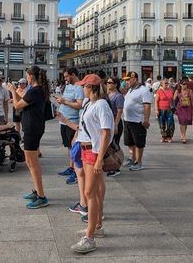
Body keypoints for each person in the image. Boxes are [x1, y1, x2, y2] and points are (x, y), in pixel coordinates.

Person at [68, 74, 114, 254]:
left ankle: (90, 237)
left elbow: (105, 132)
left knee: (90, 192)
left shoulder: (101, 105)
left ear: (91, 88)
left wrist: (100, 157)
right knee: (95, 191)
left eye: (84, 86)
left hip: (94, 152)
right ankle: (96, 226)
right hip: (87, 149)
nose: (82, 89)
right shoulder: (90, 103)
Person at [7, 65, 49, 209]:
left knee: (33, 163)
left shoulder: (35, 91)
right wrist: (16, 94)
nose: (26, 78)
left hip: (32, 129)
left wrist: (12, 90)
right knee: (30, 162)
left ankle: (42, 197)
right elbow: (23, 100)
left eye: (27, 75)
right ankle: (37, 191)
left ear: (31, 76)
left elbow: (18, 106)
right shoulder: (36, 91)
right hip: (33, 128)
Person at [54, 68, 84, 185]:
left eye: (67, 76)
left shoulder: (79, 87)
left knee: (74, 147)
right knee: (69, 146)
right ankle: (71, 167)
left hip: (72, 121)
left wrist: (65, 102)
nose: (65, 79)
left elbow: (79, 104)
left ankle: (76, 171)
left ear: (73, 74)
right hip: (64, 120)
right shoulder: (68, 86)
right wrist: (61, 101)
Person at [122, 71, 152, 171]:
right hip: (127, 120)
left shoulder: (144, 90)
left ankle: (139, 162)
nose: (126, 82)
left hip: (137, 121)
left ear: (134, 79)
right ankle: (132, 158)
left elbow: (147, 106)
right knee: (130, 142)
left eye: (128, 80)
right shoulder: (130, 90)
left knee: (139, 143)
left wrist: (146, 120)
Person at [106, 76, 124, 177]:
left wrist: (116, 125)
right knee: (109, 145)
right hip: (109, 123)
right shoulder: (108, 94)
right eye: (107, 83)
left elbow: (119, 111)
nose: (108, 84)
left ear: (115, 84)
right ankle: (111, 164)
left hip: (115, 123)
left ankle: (116, 167)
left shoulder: (118, 96)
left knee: (114, 145)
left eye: (110, 83)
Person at [154, 79, 175, 143]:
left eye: (167, 83)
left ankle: (169, 136)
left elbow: (173, 99)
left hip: (169, 109)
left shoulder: (171, 90)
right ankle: (163, 136)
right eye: (165, 83)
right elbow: (156, 101)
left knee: (170, 123)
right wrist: (156, 110)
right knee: (162, 124)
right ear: (161, 84)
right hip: (161, 109)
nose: (166, 84)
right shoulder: (159, 91)